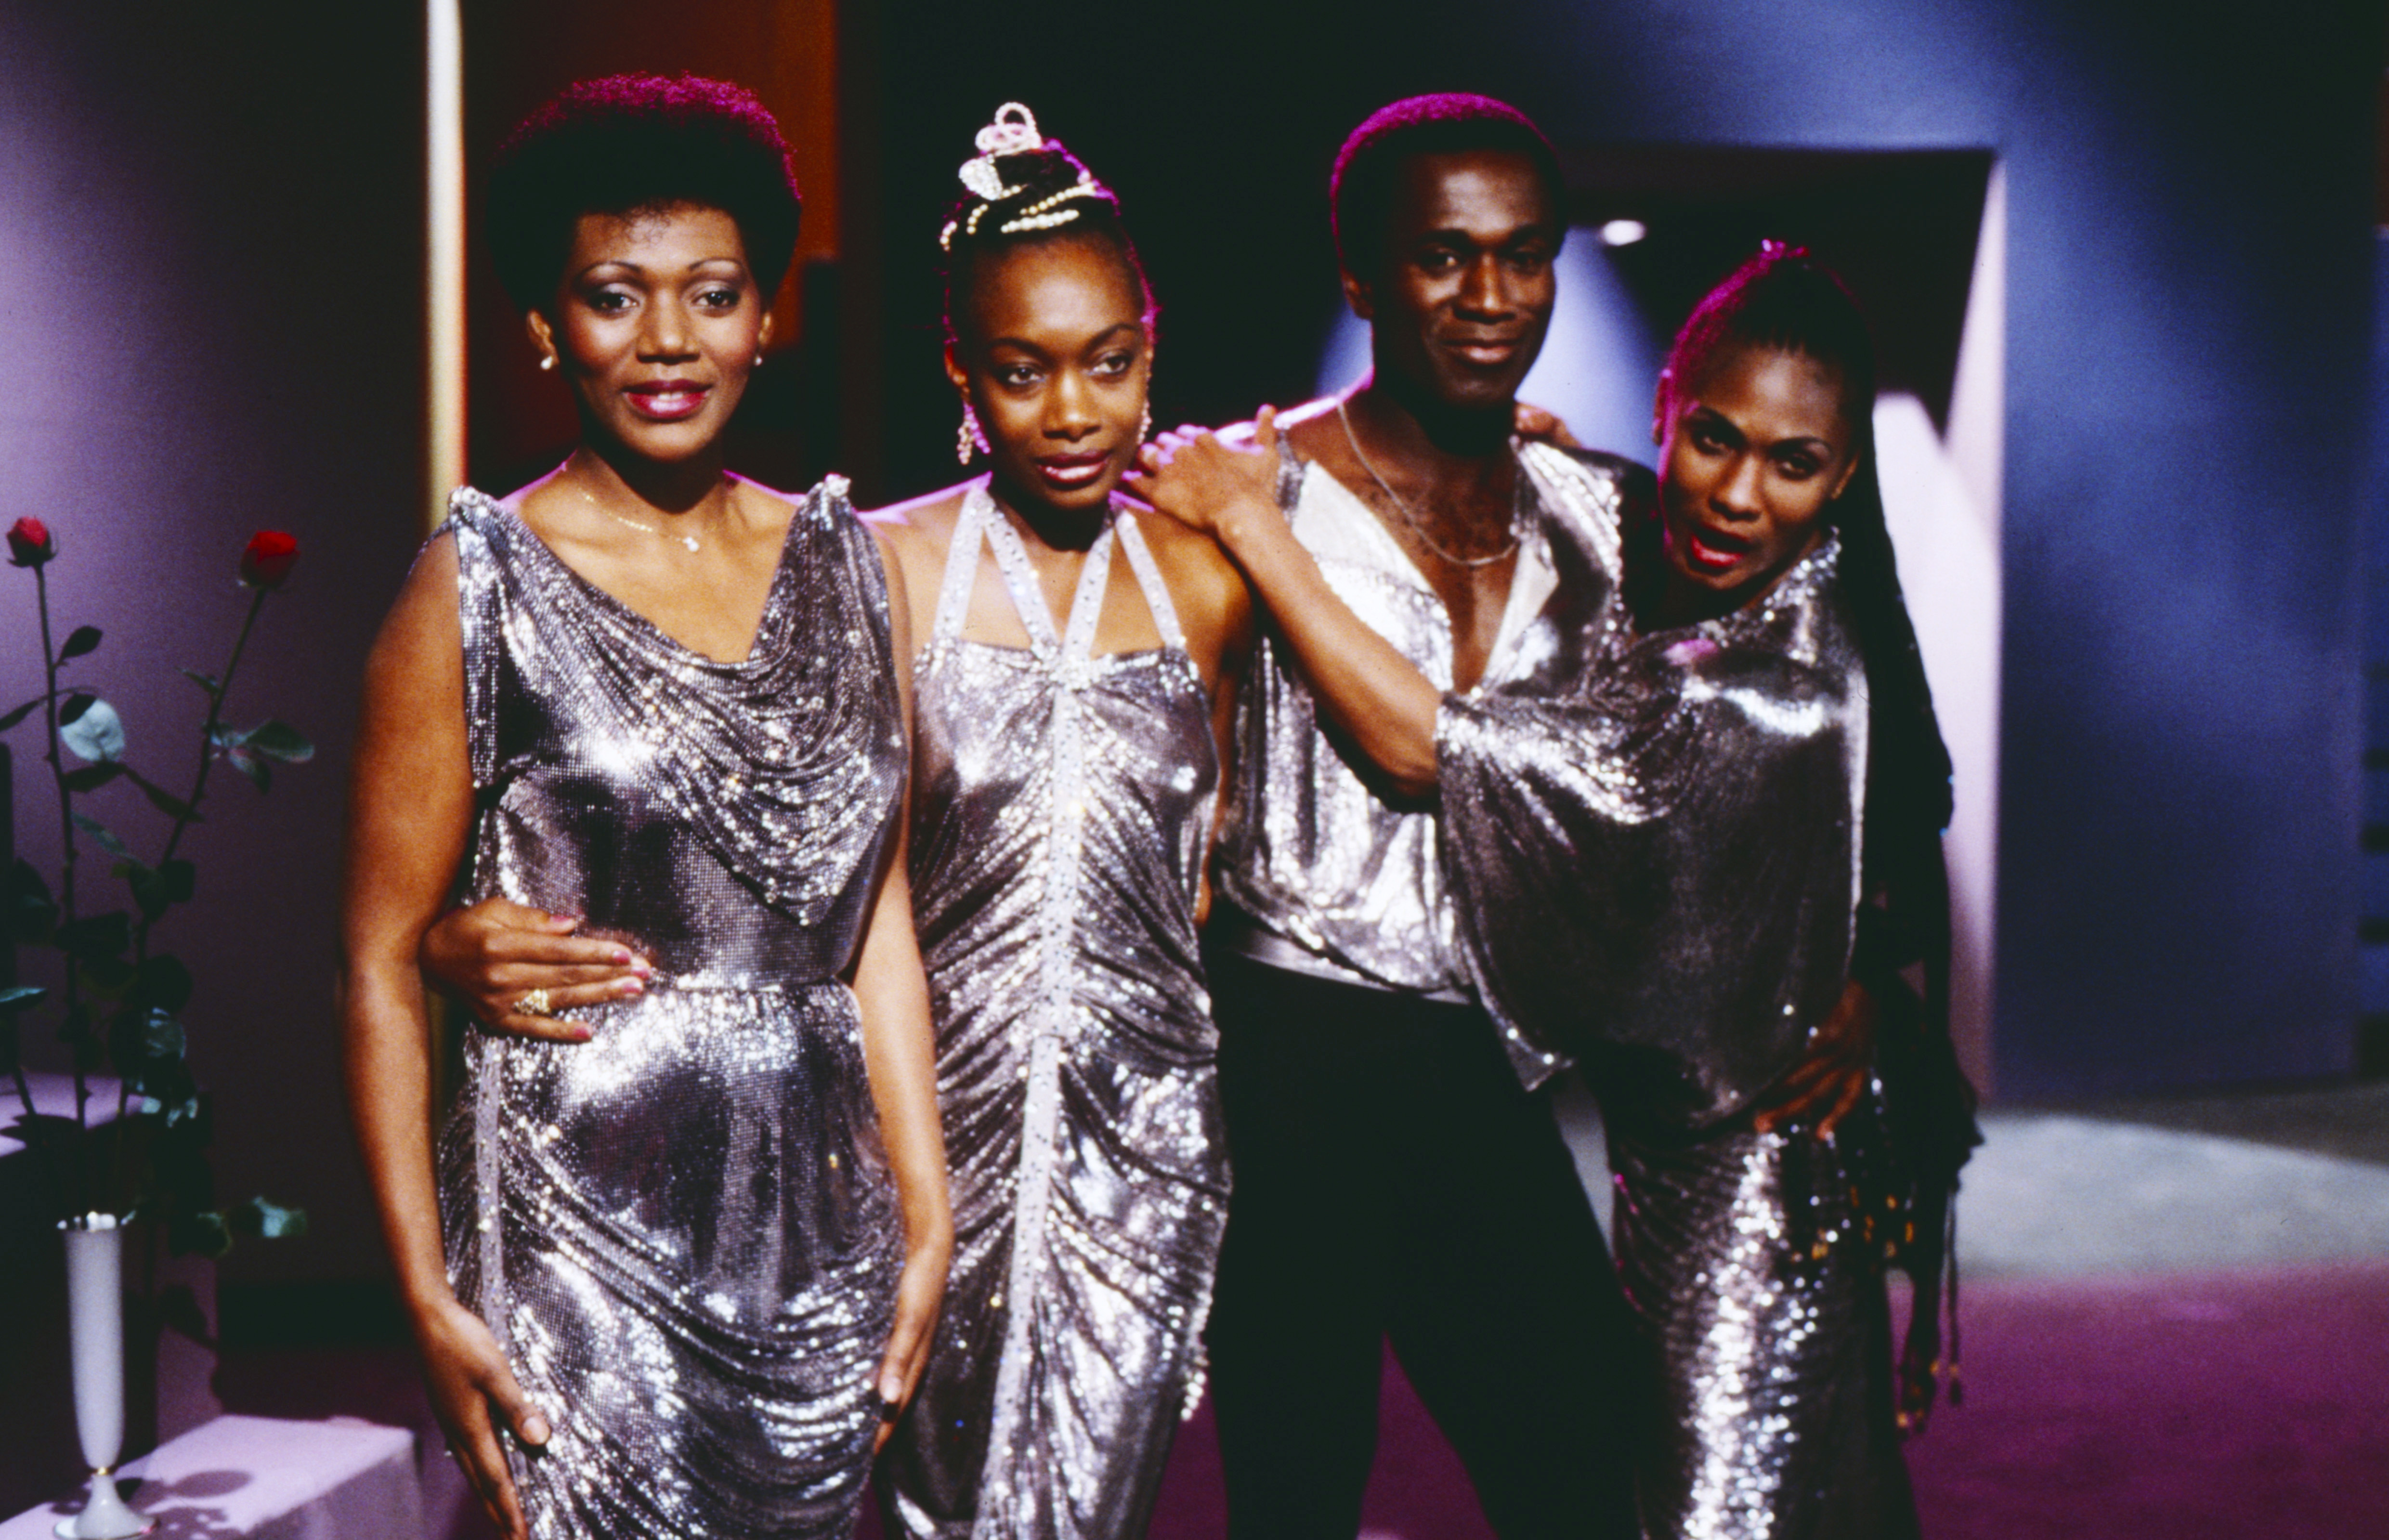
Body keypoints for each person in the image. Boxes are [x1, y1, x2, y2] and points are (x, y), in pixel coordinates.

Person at [421, 102, 1252, 1540]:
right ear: (961, 373)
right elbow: (753, 837)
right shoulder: (873, 563)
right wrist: (449, 939)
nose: (1067, 407)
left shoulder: (1208, 574)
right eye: (1020, 368)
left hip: (1130, 1129)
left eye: (1106, 363)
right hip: (844, 1126)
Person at [1137, 243, 1977, 1539]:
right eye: (1711, 438)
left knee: (1699, 1507)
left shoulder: (1746, 686)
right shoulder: (1743, 588)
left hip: (1745, 1214)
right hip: (1681, 1170)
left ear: (1843, 475)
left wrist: (1250, 522)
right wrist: (1517, 458)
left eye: (1791, 462)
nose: (1737, 493)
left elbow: (1439, 748)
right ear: (1664, 411)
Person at [340, 75, 950, 1540]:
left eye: (712, 294)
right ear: (548, 326)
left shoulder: (852, 567)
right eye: (615, 297)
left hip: (818, 1232)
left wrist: (927, 1217)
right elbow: (374, 960)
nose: (668, 341)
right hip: (570, 1236)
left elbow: (877, 923)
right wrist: (425, 1294)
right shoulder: (473, 584)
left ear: (765, 317)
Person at [1130, 93, 1644, 1540]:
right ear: (1359, 275)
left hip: (1487, 1060)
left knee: (1590, 1477)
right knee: (1297, 1495)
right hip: (1288, 1063)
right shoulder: (1236, 486)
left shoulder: (1594, 515)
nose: (1489, 298)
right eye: (1441, 258)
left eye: (1521, 254)